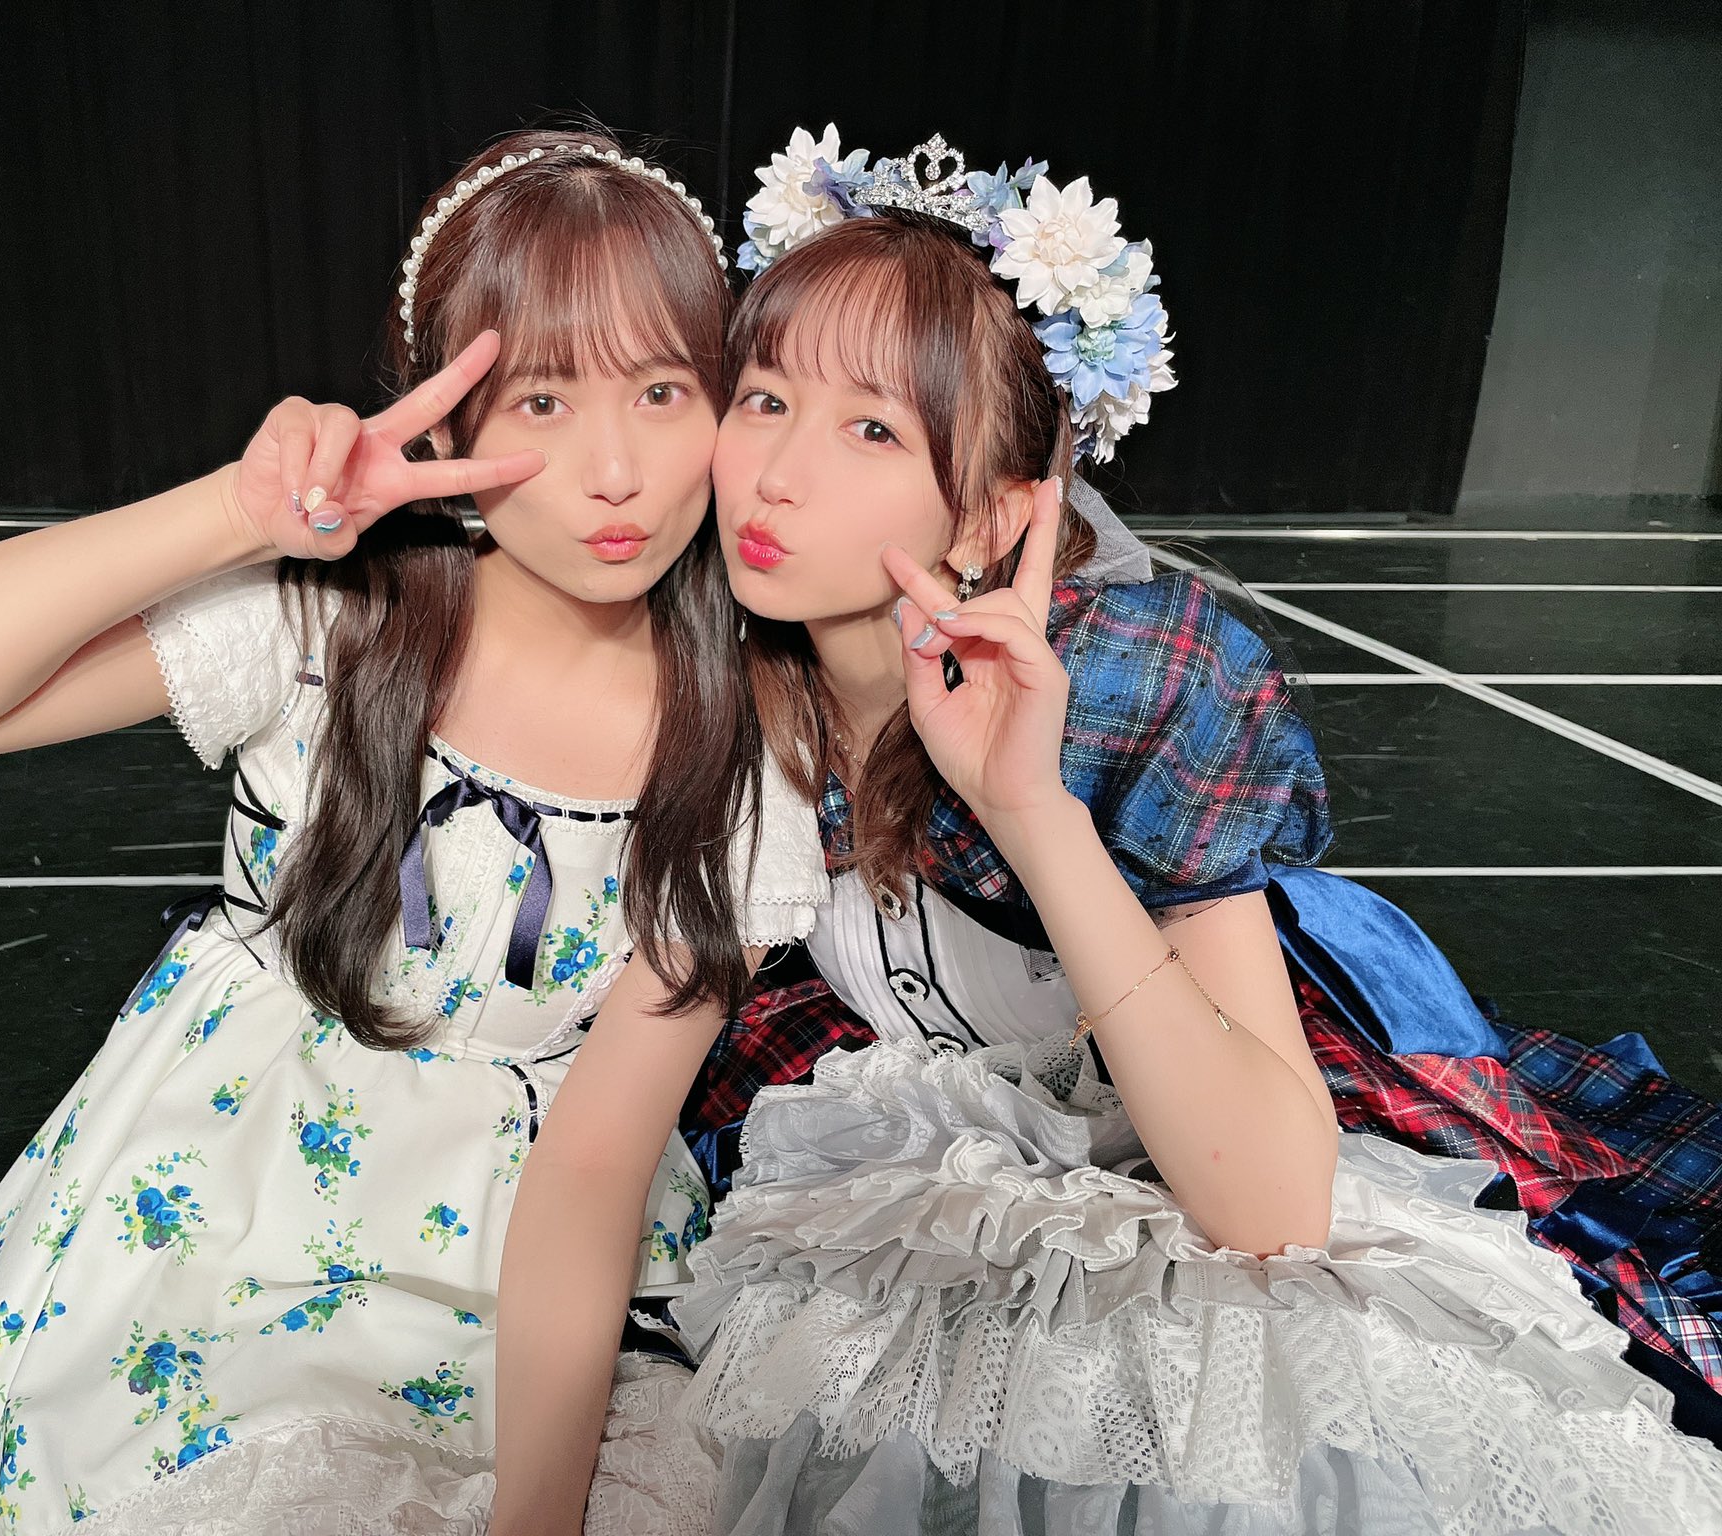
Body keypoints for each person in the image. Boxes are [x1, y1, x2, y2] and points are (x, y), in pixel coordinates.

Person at [661, 126, 1722, 1530]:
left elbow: (1271, 1205)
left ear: (995, 514)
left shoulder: (1130, 682)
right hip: (948, 1160)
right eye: (763, 399)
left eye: (872, 430)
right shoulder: (720, 672)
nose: (777, 475)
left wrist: (1029, 810)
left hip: (1233, 1120)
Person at [0, 128, 824, 1535]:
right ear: (443, 425)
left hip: (525, 1287)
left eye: (661, 391)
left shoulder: (742, 753)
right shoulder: (325, 631)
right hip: (212, 1235)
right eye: (541, 399)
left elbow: (596, 1163)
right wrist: (232, 512)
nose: (615, 470)